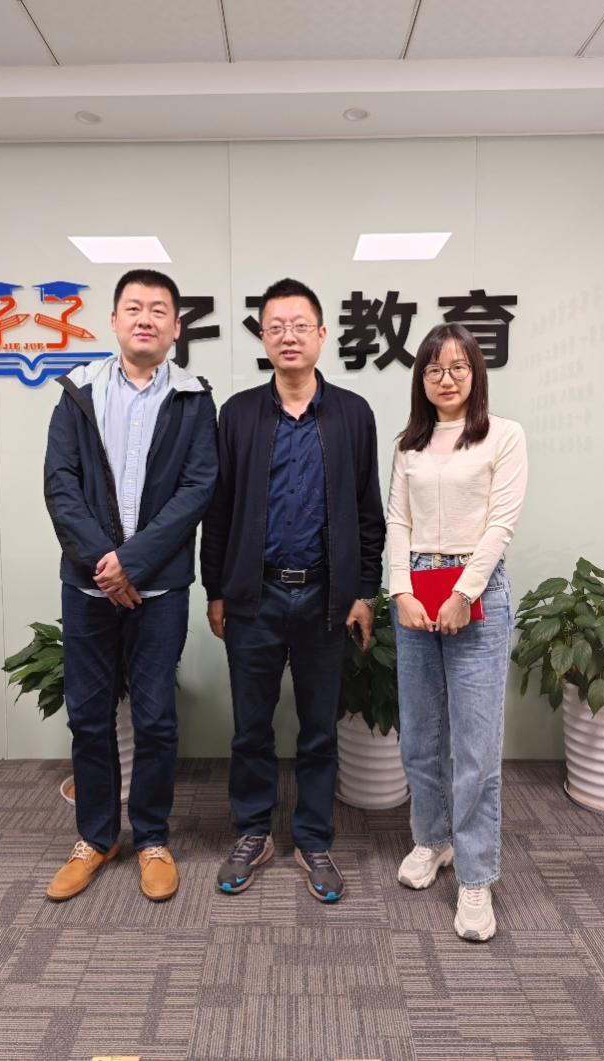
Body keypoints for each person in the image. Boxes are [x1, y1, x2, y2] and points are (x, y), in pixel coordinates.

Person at [201, 277, 385, 903]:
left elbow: (368, 514)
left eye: (300, 325)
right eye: (275, 326)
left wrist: (364, 592)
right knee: (251, 728)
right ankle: (253, 832)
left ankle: (312, 839)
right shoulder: (238, 414)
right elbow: (218, 511)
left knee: (318, 730)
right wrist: (216, 589)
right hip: (253, 597)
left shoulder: (353, 414)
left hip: (326, 601)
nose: (288, 336)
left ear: (322, 335)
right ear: (263, 337)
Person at [43, 268, 217, 903]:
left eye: (159, 310)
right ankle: (96, 837)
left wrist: (133, 564)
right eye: (134, 308)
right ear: (114, 321)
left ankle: (151, 838)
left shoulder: (195, 399)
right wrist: (104, 563)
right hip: (88, 588)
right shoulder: (77, 393)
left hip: (159, 591)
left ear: (176, 328)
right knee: (89, 718)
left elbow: (198, 488)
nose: (146, 319)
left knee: (156, 719)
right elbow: (60, 484)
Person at [387, 322, 527, 941]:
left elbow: (500, 525)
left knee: (474, 748)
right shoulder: (409, 444)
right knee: (420, 737)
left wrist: (464, 594)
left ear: (475, 372)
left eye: (458, 367)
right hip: (417, 593)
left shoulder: (504, 435)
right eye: (434, 369)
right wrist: (400, 591)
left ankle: (475, 876)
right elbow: (398, 521)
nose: (446, 378)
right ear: (421, 378)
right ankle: (432, 840)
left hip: (477, 591)